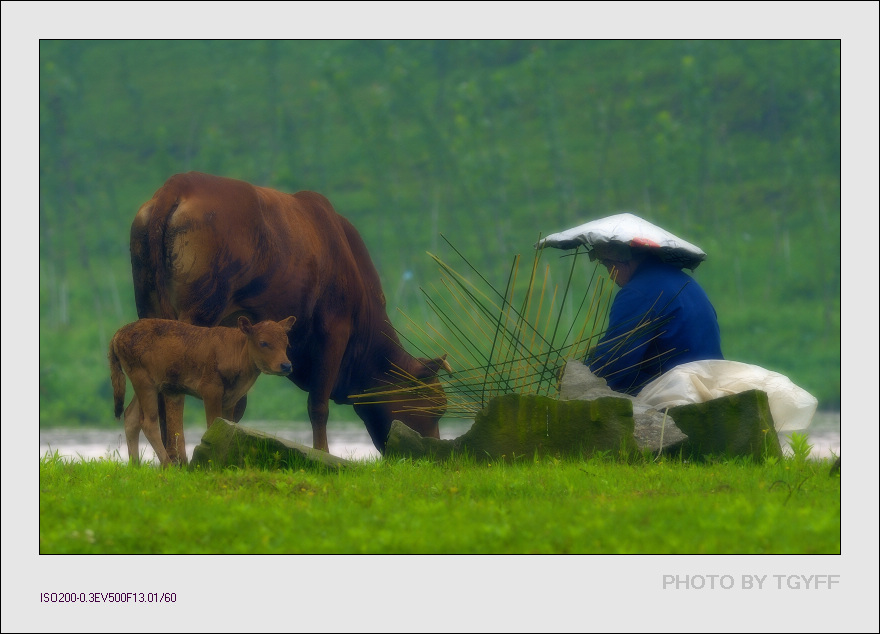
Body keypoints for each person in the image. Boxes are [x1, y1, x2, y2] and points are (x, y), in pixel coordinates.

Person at [586, 242, 723, 395]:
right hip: (713, 381)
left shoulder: (637, 292)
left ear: (621, 262)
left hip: (680, 392)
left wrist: (580, 373)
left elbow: (614, 365)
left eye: (607, 266)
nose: (611, 276)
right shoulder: (686, 282)